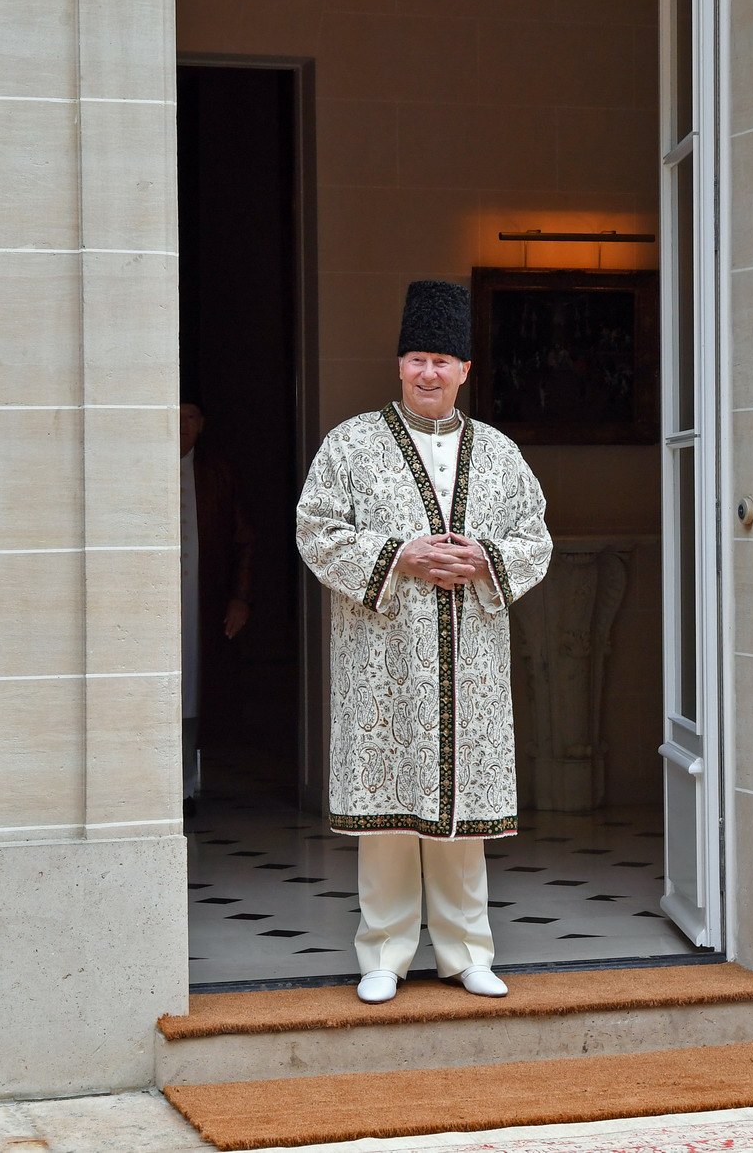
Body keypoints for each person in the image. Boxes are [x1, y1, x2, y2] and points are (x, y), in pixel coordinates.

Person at [295, 279, 552, 1004]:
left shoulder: (499, 454)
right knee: (387, 812)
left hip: (469, 660)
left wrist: (485, 560)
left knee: (461, 814)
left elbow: (535, 538)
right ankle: (384, 952)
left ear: (466, 369)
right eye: (416, 358)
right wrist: (398, 556)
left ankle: (467, 951)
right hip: (383, 659)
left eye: (443, 359)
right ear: (399, 364)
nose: (429, 373)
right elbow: (315, 529)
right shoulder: (350, 444)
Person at [181, 399, 254, 813]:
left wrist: (240, 597)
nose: (183, 427)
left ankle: (187, 785)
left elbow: (244, 540)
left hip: (203, 599)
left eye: (191, 418)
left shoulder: (217, 472)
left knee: (196, 686)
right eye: (176, 418)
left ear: (202, 423)